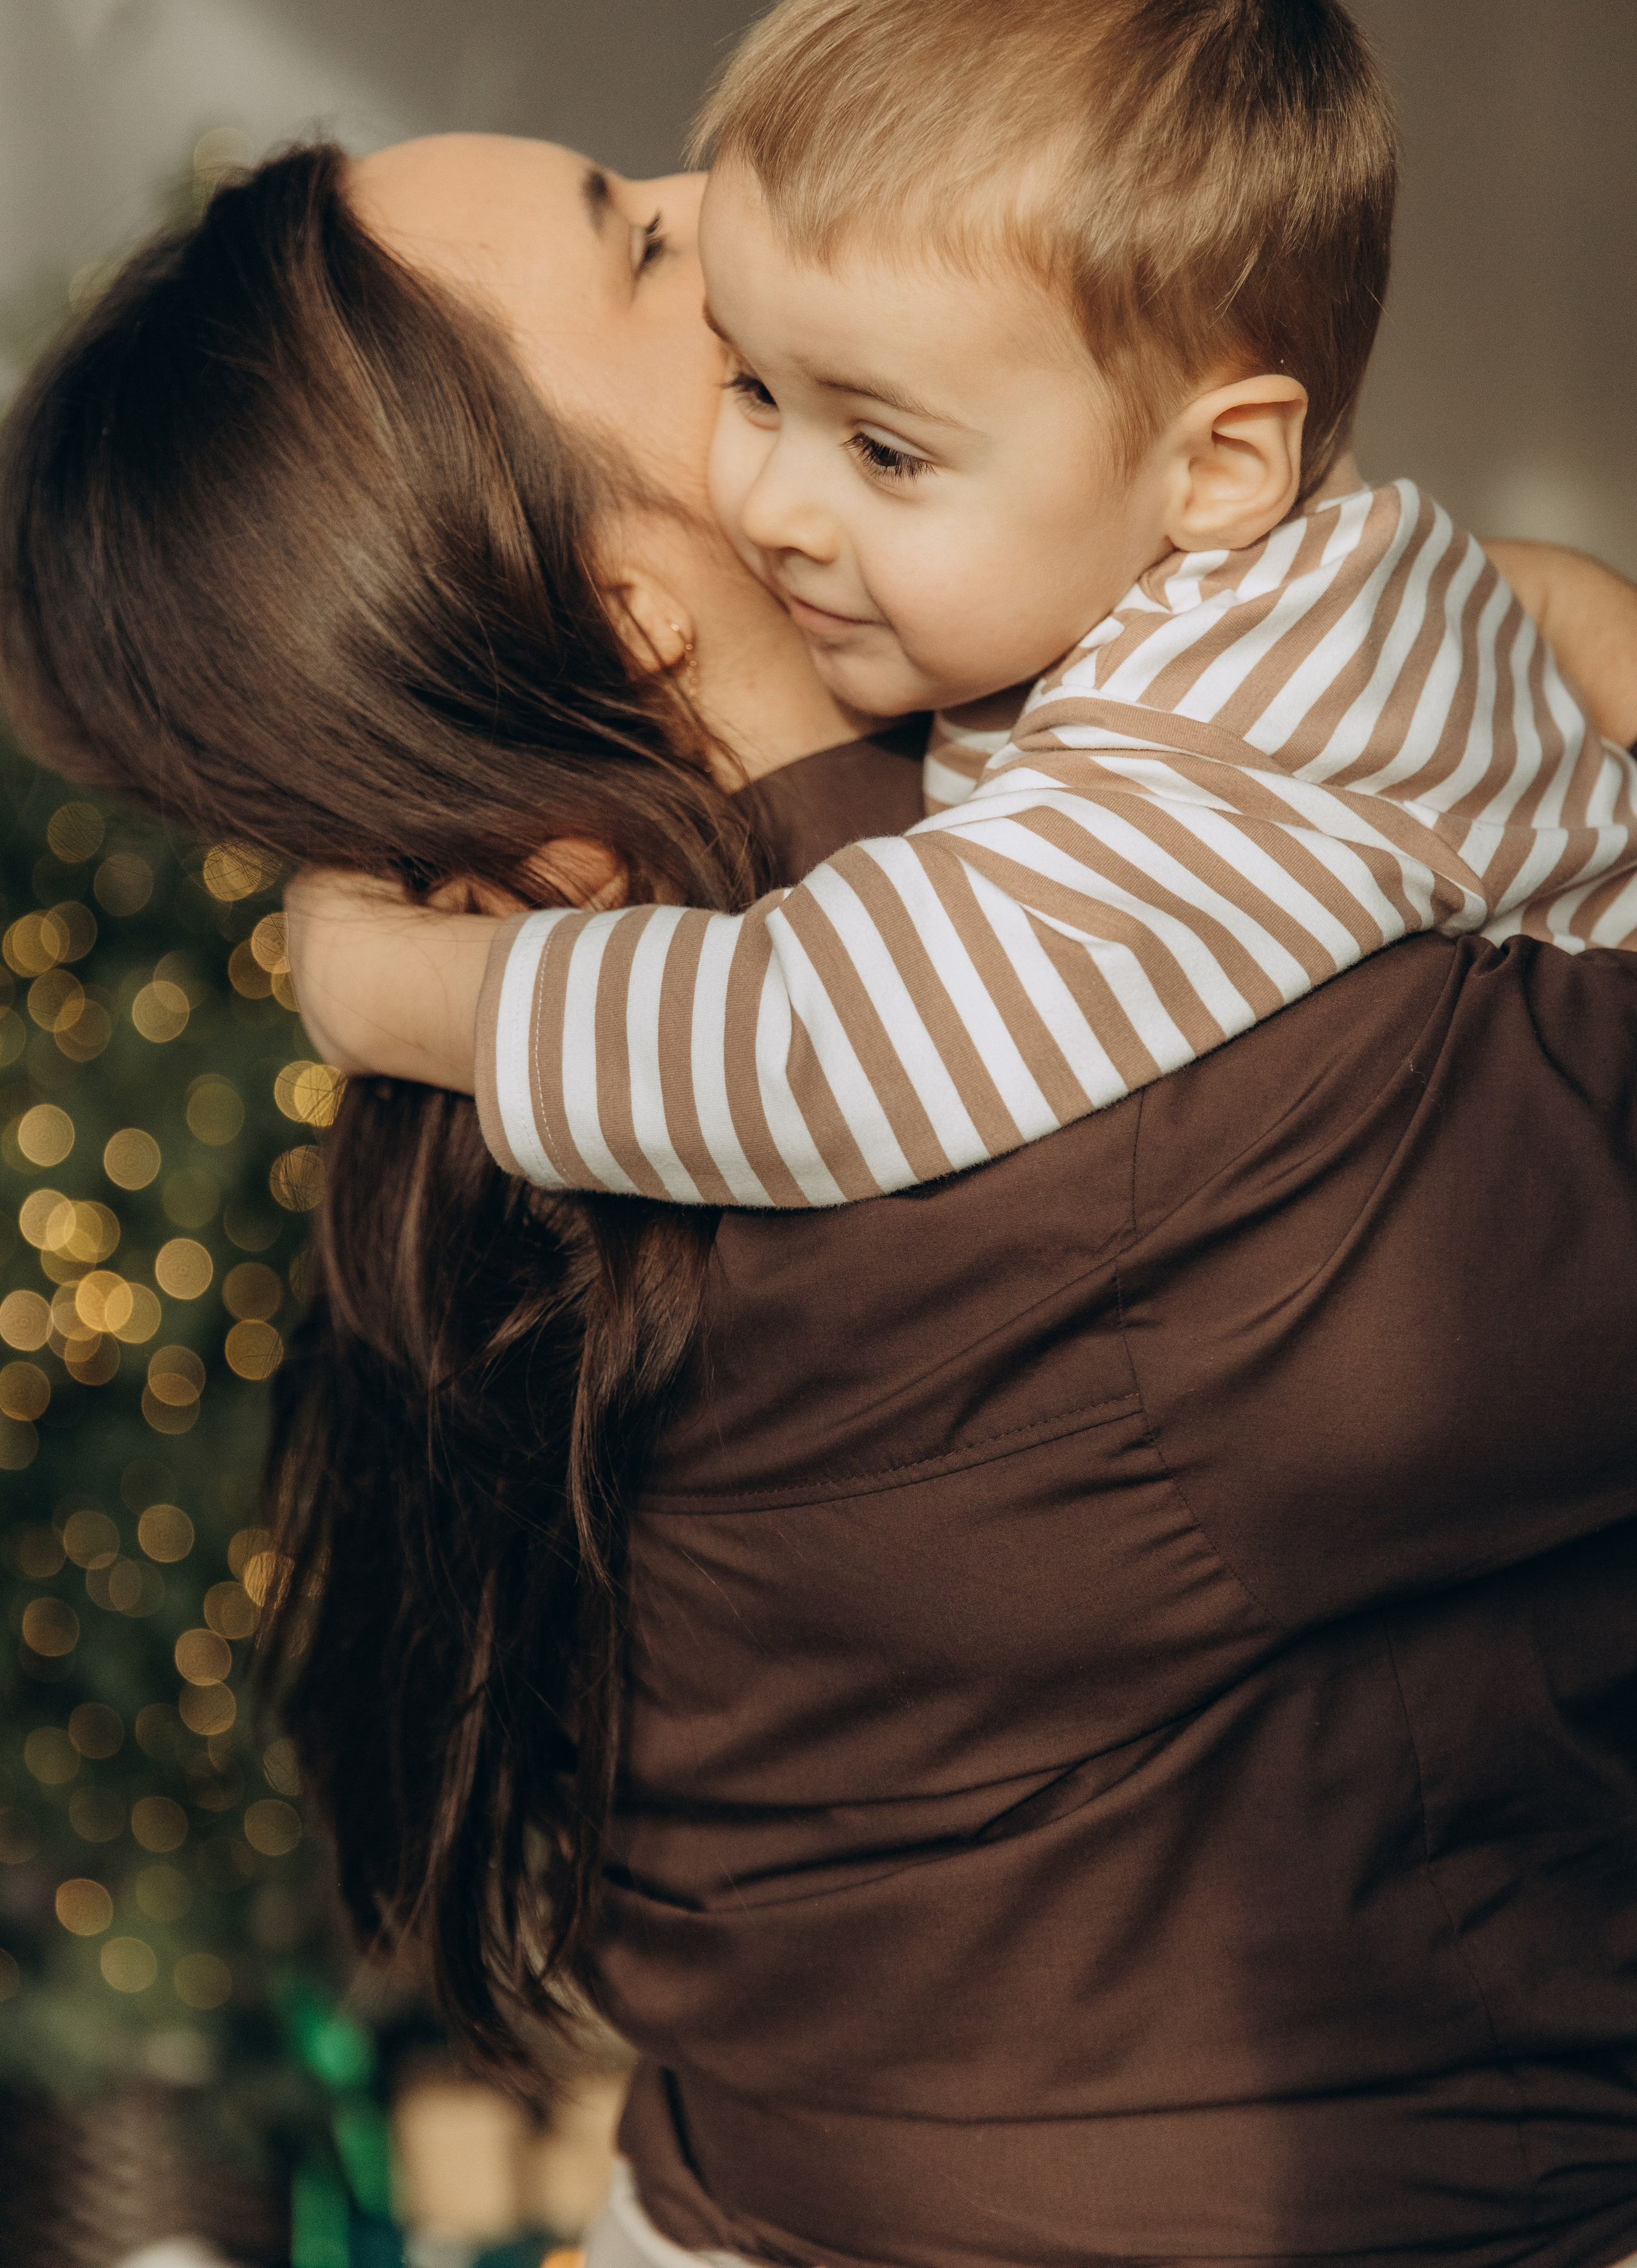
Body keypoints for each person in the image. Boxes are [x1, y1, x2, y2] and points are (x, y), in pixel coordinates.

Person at [5, 133, 1637, 2268]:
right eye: (647, 235)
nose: (734, 190)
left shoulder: (518, 1057)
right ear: (638, 613)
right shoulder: (1136, 1109)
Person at [285, 0, 1637, 1213]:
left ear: (1221, 466)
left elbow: (804, 1051)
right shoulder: (1219, 569)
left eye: (882, 447)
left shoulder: (1207, 735)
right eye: (751, 385)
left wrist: (381, 992)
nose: (771, 505)